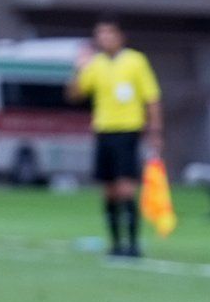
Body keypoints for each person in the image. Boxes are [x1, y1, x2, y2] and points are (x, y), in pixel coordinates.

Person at [68, 19, 161, 257]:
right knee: (108, 190)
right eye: (100, 34)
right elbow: (75, 95)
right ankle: (115, 244)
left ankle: (133, 244)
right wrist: (78, 68)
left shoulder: (135, 61)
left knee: (126, 188)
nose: (104, 38)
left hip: (128, 130)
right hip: (103, 131)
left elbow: (152, 98)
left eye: (109, 33)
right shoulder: (95, 64)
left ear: (120, 36)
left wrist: (156, 131)